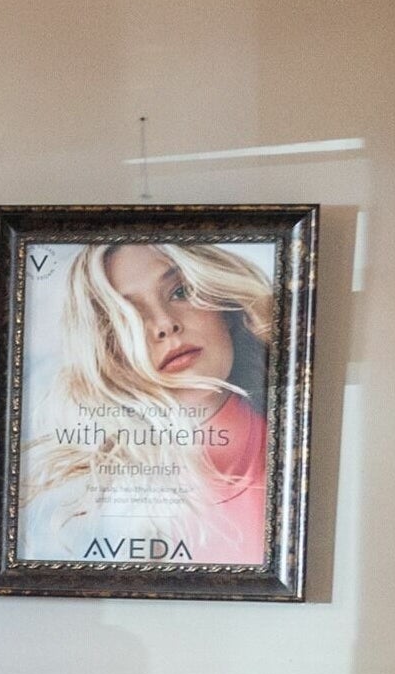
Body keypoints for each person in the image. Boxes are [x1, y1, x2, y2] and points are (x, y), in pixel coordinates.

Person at [21, 241, 277, 568]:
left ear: (223, 307)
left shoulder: (298, 447)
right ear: (107, 353)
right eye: (127, 317)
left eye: (180, 291)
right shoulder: (103, 506)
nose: (164, 325)